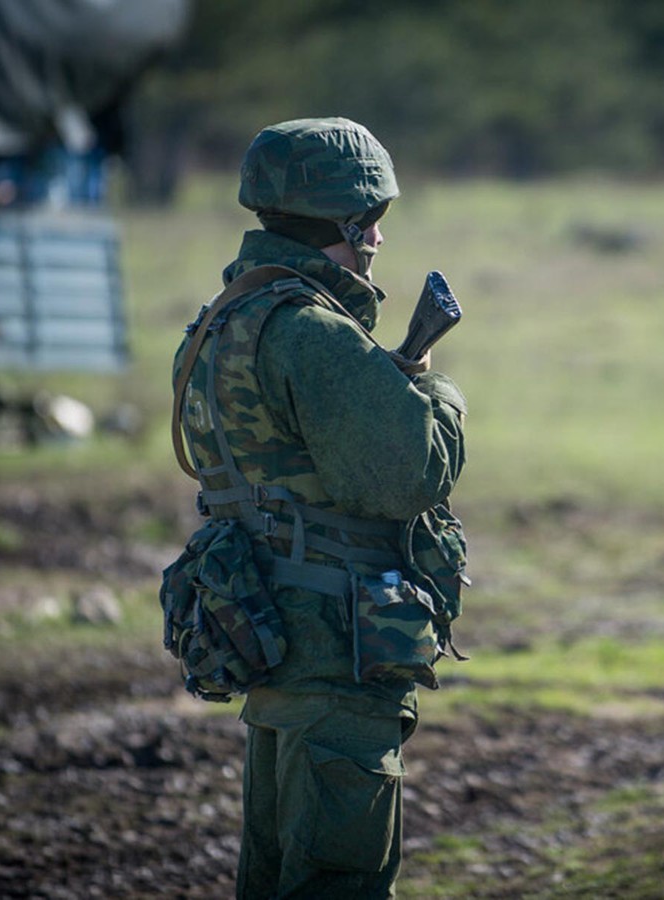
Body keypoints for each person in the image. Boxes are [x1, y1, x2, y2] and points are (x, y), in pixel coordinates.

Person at [171, 118, 467, 898]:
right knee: (338, 884)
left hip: (270, 639)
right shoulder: (313, 334)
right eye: (370, 222)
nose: (376, 241)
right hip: (337, 650)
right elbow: (411, 475)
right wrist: (430, 386)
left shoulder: (222, 321)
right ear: (342, 224)